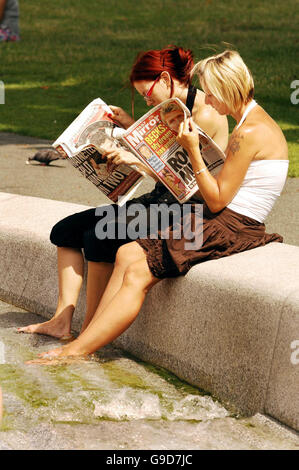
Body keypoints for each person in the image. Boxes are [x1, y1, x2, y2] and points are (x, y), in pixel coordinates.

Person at [25, 49, 289, 364]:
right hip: (221, 216)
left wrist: (192, 149)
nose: (210, 101)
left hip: (231, 224)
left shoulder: (249, 132)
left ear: (227, 88)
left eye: (212, 93)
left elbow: (217, 198)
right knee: (125, 253)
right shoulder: (249, 123)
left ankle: (77, 350)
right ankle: (87, 341)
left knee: (137, 271)